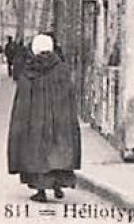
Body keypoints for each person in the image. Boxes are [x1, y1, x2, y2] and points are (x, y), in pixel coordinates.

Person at [7, 33, 81, 203]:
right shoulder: (61, 69)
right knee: (57, 150)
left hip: (36, 121)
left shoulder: (30, 70)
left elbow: (23, 100)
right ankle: (58, 185)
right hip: (58, 119)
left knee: (37, 154)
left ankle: (41, 192)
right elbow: (69, 95)